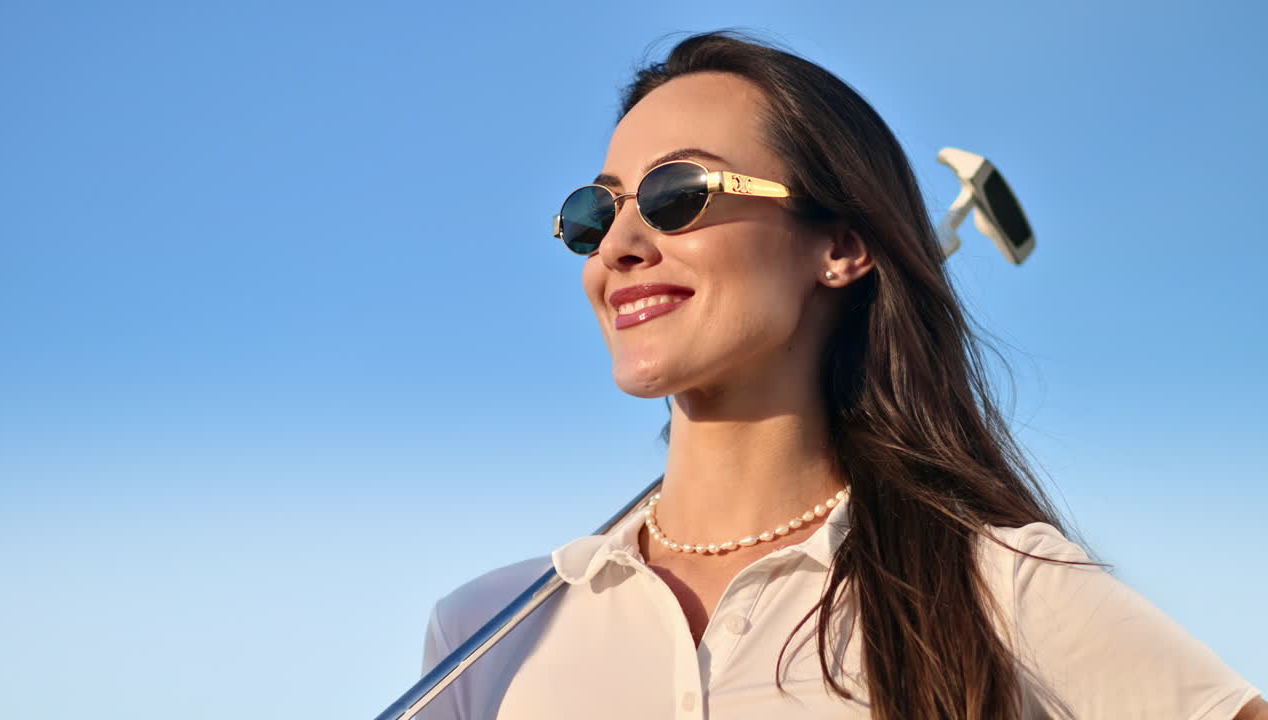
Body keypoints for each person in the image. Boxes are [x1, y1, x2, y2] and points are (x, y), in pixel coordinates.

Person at [417, 30, 1264, 719]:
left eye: (678, 193)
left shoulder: (996, 587)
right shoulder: (481, 638)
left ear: (841, 247)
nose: (619, 247)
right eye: (596, 212)